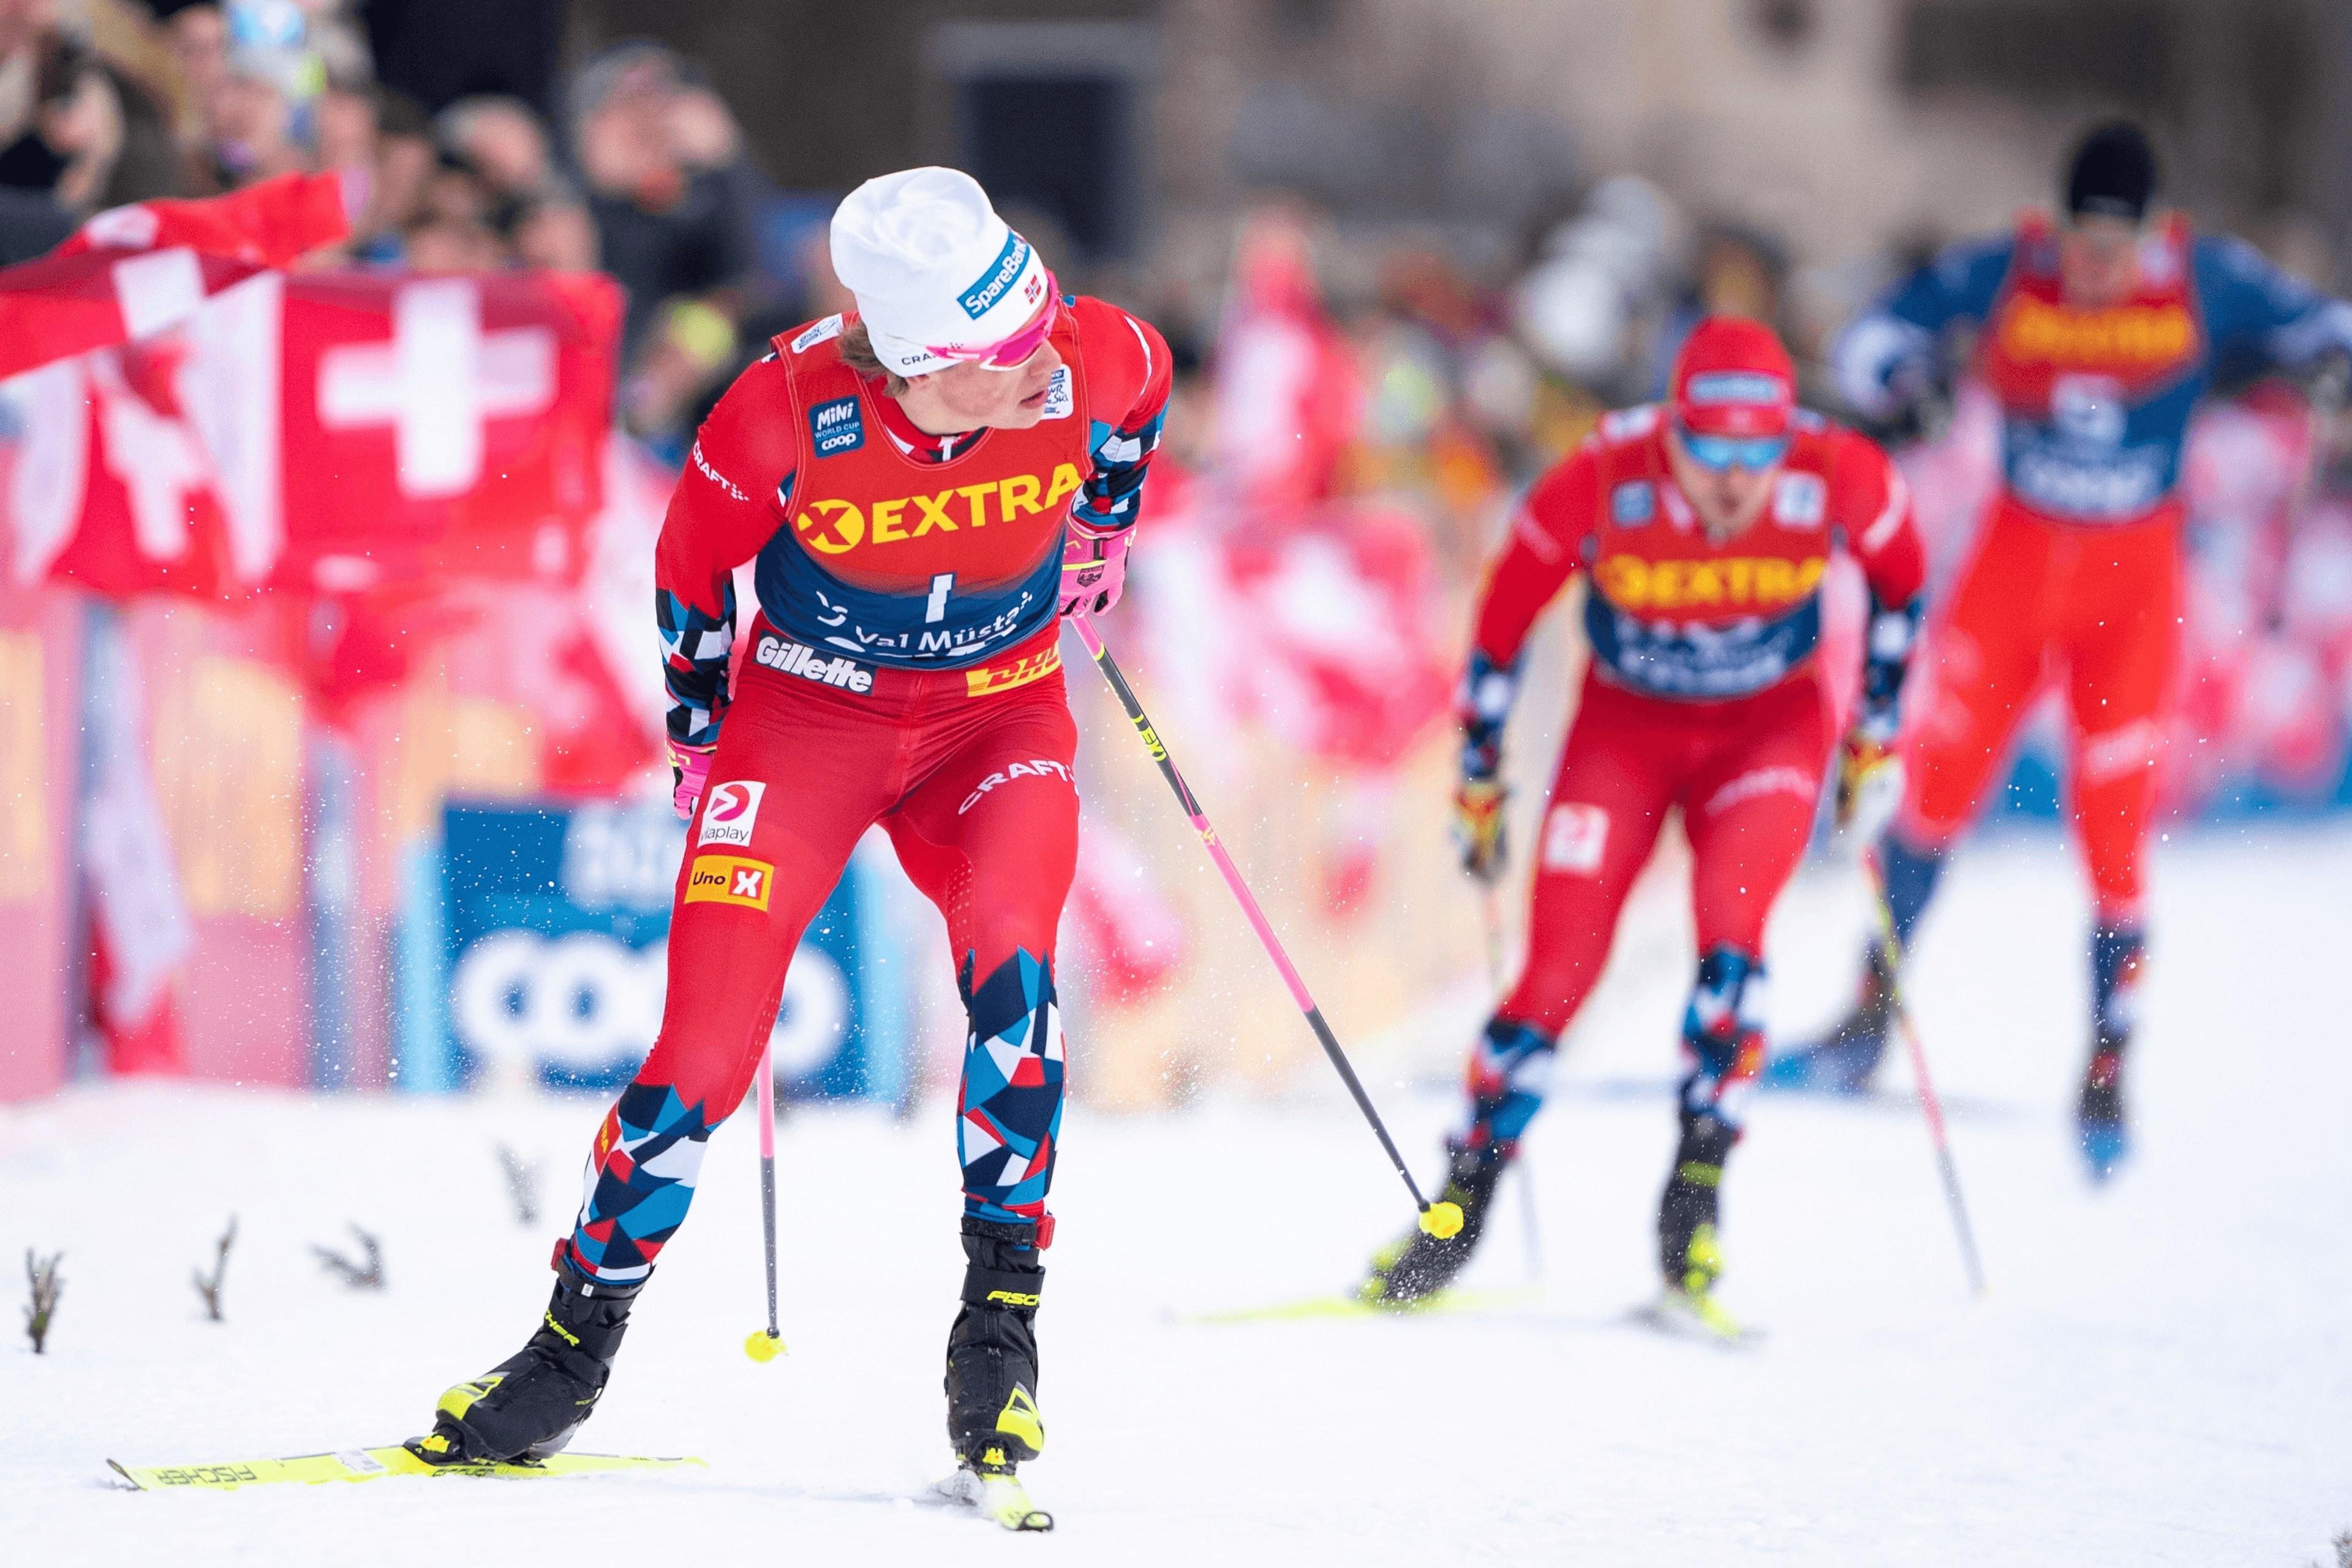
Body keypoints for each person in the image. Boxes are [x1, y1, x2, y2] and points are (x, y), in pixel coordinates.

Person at [410, 168, 1170, 1510]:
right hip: (808, 722)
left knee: (1017, 981)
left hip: (996, 716)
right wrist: (700, 730)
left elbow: (1144, 382)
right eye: (1009, 352)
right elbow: (688, 567)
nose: (1048, 362)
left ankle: (998, 1338)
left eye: (1042, 319)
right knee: (702, 1054)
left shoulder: (1085, 352)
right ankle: (567, 1354)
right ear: (920, 364)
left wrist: (1103, 527)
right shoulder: (782, 408)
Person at [1776, 121, 2352, 1180]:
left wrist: (2328, 367)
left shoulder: (2205, 276)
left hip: (2131, 588)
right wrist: (1908, 380)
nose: (2094, 270)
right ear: (2058, 225)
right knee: (1933, 792)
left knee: (2115, 829)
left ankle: (2106, 1066)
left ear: (2152, 234)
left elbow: (2329, 324)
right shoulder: (2011, 268)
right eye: (2082, 245)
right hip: (2012, 570)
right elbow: (1870, 338)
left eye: (2115, 250)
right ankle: (1865, 1020)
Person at [1360, 315, 1925, 1333]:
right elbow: (1502, 622)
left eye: (1758, 452)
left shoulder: (1838, 472)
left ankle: (1692, 1212)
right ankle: (1458, 1212)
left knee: (1732, 948)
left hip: (1766, 737)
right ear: (1672, 432)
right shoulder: (1603, 477)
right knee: (1556, 974)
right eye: (1711, 452)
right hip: (1625, 736)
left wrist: (1876, 736)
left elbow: (1903, 585)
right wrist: (1480, 777)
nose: (1735, 479)